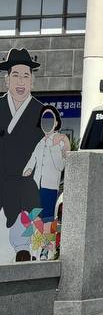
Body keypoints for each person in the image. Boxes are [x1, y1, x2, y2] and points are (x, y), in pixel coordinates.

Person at [0, 48, 43, 237]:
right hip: (1, 187)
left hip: (28, 192)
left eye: (26, 76)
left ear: (32, 81)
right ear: (6, 79)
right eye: (15, 75)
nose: (20, 81)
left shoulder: (42, 111)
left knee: (30, 244)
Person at [23, 105, 70, 222]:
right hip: (37, 184)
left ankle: (48, 240)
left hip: (50, 186)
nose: (46, 123)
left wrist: (54, 146)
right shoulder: (40, 142)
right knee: (35, 216)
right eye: (44, 120)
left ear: (56, 123)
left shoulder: (60, 141)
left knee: (48, 216)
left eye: (50, 119)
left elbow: (61, 165)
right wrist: (28, 168)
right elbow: (33, 157)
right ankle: (37, 240)